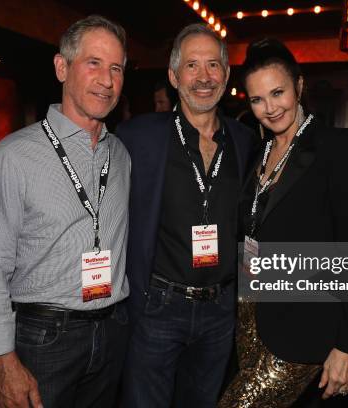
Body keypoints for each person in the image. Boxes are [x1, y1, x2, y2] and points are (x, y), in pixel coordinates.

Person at [0, 15, 131, 408]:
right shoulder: (12, 157)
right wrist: (3, 362)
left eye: (116, 67)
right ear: (62, 67)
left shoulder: (122, 155)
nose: (107, 79)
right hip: (44, 338)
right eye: (93, 63)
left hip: (114, 330)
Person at [219, 39, 348, 407]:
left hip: (304, 324)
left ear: (299, 86)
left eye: (278, 93)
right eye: (257, 100)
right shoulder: (260, 151)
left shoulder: (339, 147)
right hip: (251, 316)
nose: (270, 109)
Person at [118, 24, 254, 407]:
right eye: (192, 65)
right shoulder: (138, 137)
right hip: (158, 305)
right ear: (174, 76)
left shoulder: (244, 142)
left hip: (220, 308)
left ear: (226, 76)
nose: (204, 77)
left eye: (213, 65)